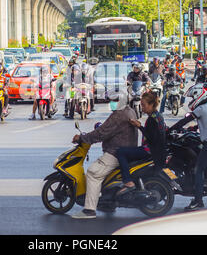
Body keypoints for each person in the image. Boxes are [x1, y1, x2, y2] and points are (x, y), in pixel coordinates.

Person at [71, 91, 138, 219]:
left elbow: (101, 133)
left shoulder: (119, 115)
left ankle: (89, 210)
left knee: (93, 173)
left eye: (114, 101)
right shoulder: (130, 111)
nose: (111, 103)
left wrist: (82, 138)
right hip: (126, 150)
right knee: (103, 174)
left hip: (115, 152)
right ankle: (108, 204)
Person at [169, 83, 207, 211]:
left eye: (192, 97)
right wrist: (195, 127)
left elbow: (184, 121)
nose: (191, 100)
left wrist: (170, 129)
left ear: (199, 95)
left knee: (198, 169)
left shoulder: (200, 109)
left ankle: (198, 201)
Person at [116, 92, 167, 195]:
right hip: (157, 150)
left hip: (151, 151)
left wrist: (139, 126)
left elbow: (152, 138)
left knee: (120, 152)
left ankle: (128, 181)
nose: (142, 108)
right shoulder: (157, 116)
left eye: (144, 105)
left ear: (151, 104)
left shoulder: (153, 119)